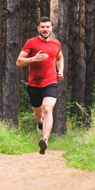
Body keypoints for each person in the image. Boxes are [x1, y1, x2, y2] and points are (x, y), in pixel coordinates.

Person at [16, 16, 64, 155]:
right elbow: (19, 62)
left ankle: (45, 140)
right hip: (34, 85)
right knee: (38, 115)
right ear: (38, 29)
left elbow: (60, 58)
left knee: (47, 108)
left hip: (51, 82)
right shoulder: (31, 43)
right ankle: (40, 124)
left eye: (47, 27)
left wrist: (60, 71)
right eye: (42, 27)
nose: (45, 29)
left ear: (51, 28)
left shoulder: (56, 43)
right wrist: (33, 59)